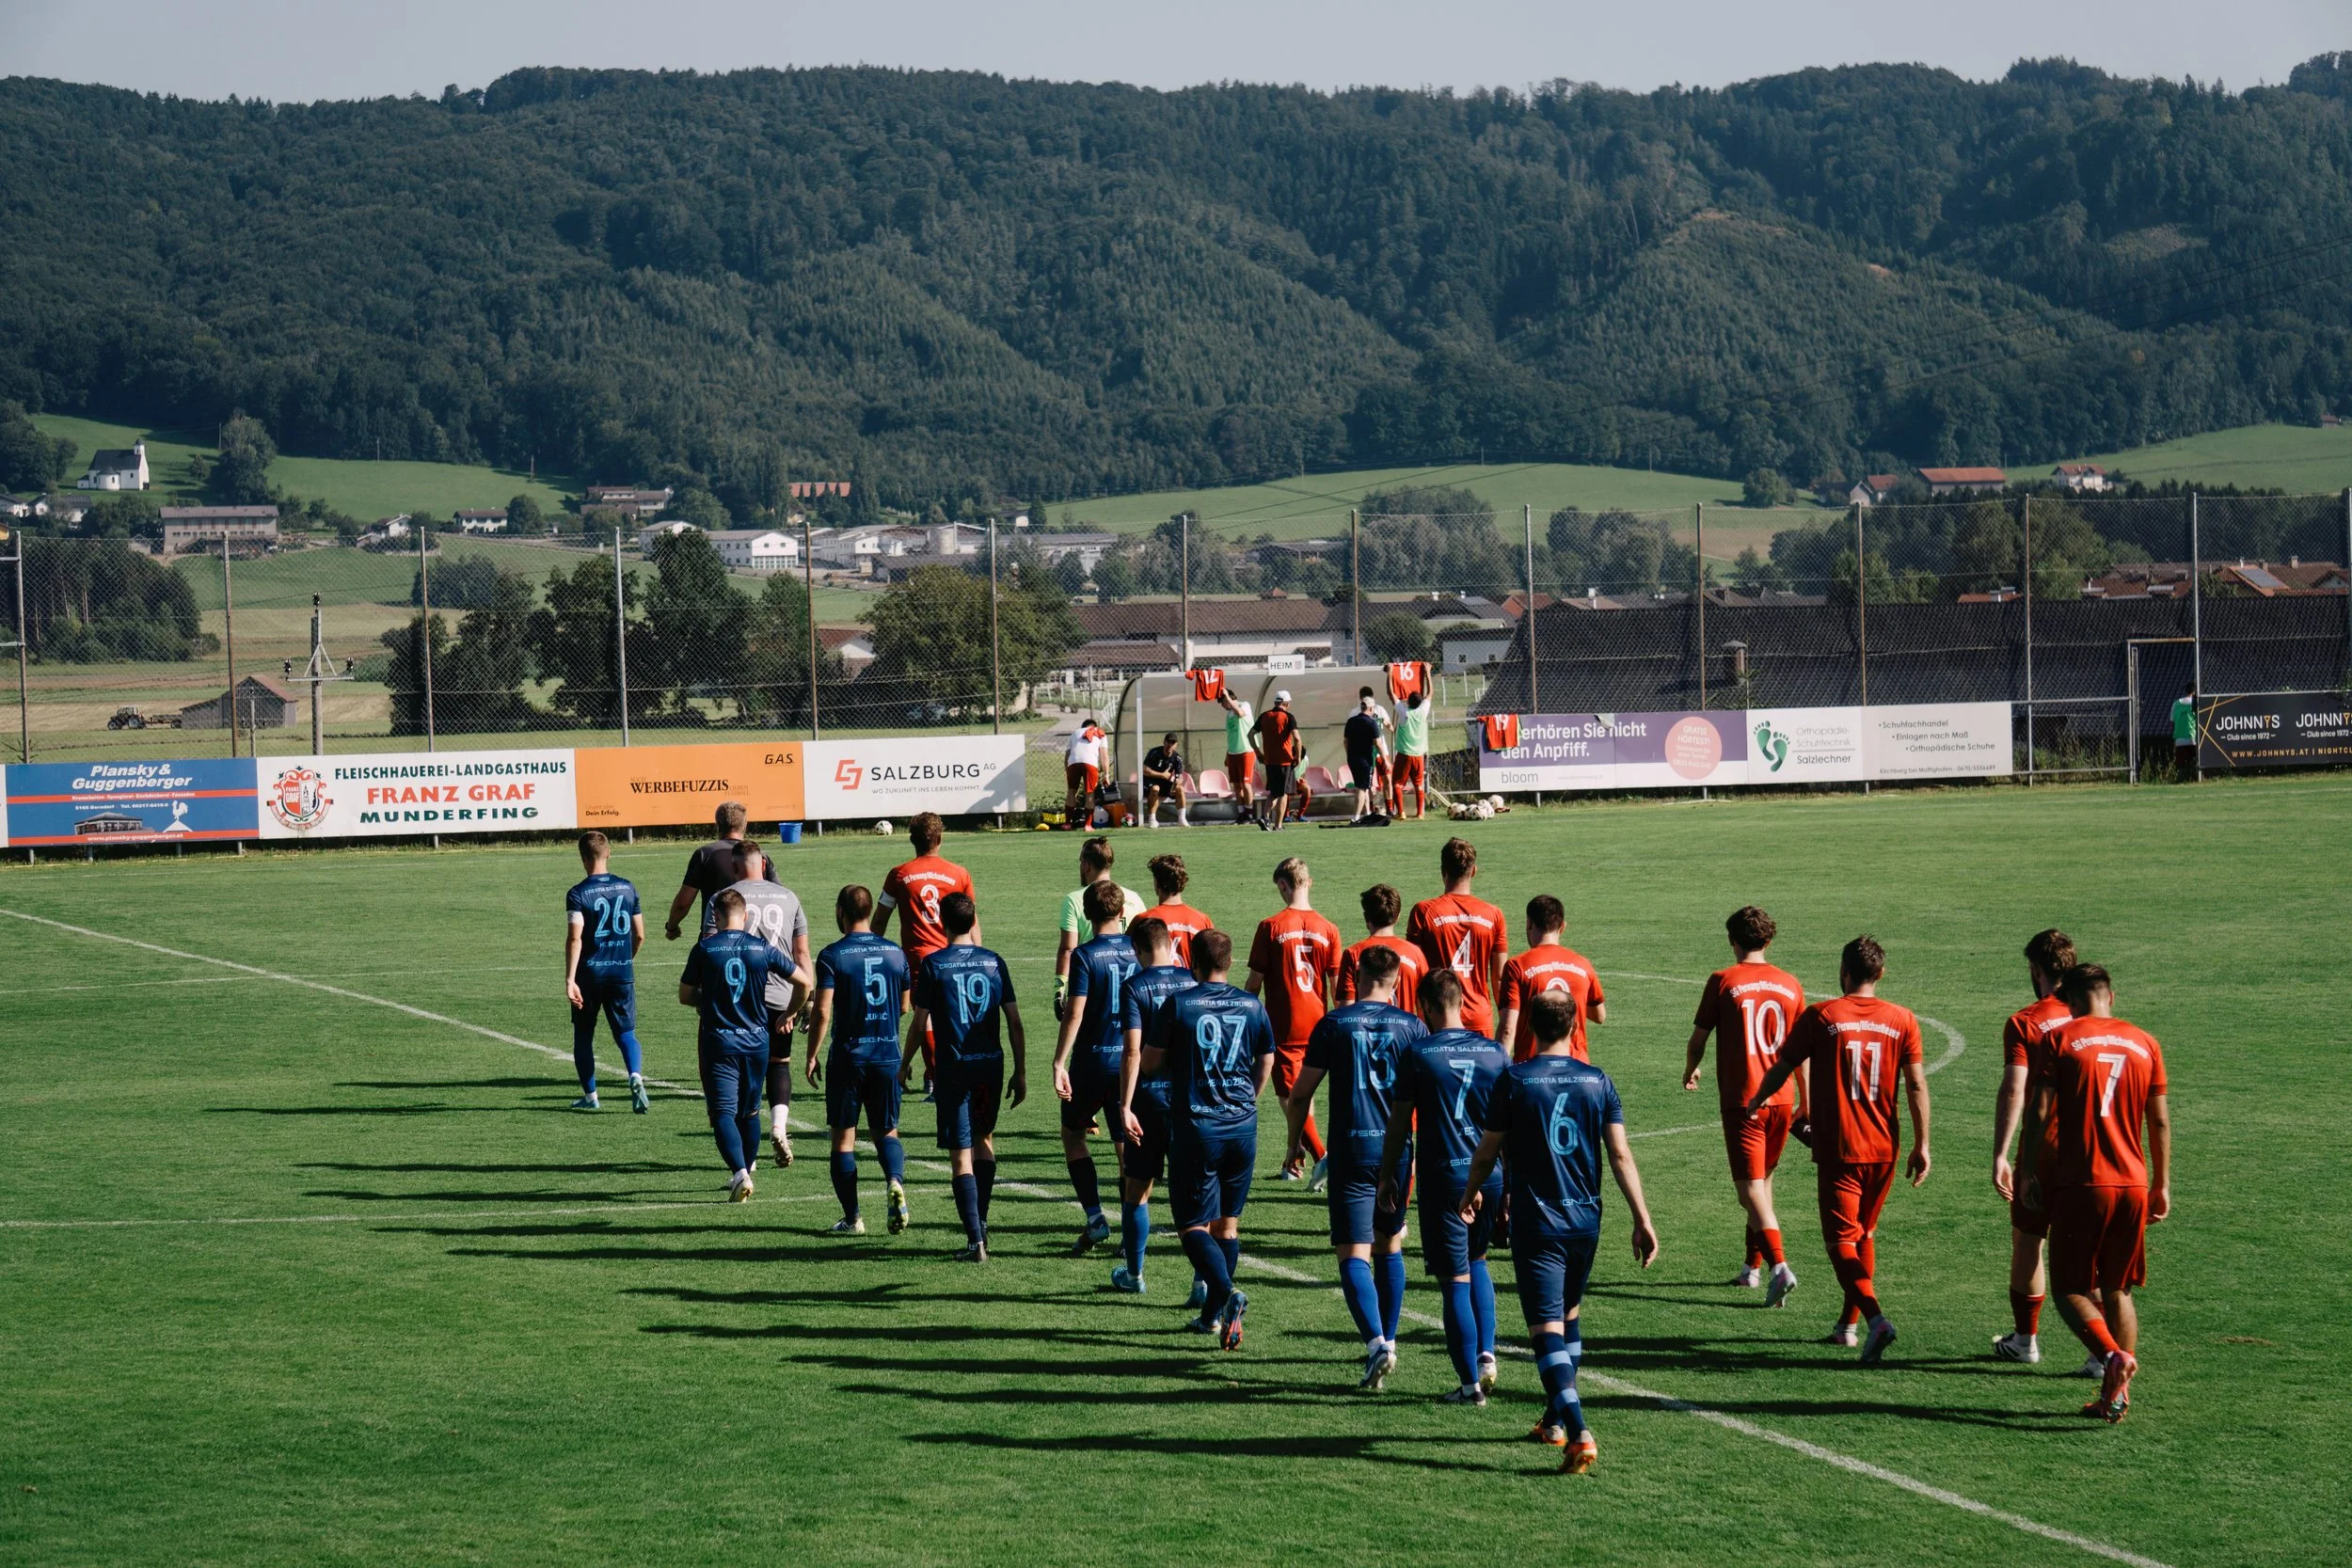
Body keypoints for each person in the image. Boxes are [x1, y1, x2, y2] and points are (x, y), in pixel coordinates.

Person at [1458, 993, 1661, 1474]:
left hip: (1540, 1223)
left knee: (1544, 1330)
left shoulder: (1516, 1080)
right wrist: (1642, 1218)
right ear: (1574, 1025)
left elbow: (1486, 1152)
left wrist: (1469, 1192)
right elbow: (1620, 1156)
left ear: (1530, 1024)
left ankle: (1580, 1431)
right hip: (1586, 1221)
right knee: (1568, 1319)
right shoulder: (1598, 1081)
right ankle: (1552, 1422)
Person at [1744, 935, 1931, 1365]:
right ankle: (1847, 1329)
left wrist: (1757, 1100)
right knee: (1864, 1234)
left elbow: (1784, 1067)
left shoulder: (1822, 1016)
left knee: (1839, 1243)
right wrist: (1922, 1144)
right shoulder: (1903, 1020)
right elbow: (1917, 1084)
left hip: (1841, 1148)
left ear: (1843, 972)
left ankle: (1875, 1319)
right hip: (1884, 1146)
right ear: (1880, 974)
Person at [2029, 964, 2170, 1423]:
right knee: (2117, 1287)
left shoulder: (2061, 1039)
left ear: (2069, 1000)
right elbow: (2160, 1120)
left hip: (2083, 1181)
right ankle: (2117, 1395)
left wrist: (2030, 1169)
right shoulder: (2146, 1042)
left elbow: (2041, 1110)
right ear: (2112, 995)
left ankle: (2111, 1357)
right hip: (2133, 1183)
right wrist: (2162, 1184)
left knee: (2071, 1287)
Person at [1288, 943, 1426, 1390]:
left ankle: (1376, 1346)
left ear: (1357, 976)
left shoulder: (1334, 1024)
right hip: (1398, 1151)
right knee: (1390, 1247)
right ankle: (1389, 1340)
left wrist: (1295, 1144)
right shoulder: (1414, 1027)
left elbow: (1300, 1093)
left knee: (1352, 1254)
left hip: (1350, 1150)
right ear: (1398, 981)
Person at [1140, 928, 1277, 1350]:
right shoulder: (1252, 1004)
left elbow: (1149, 1064)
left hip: (1198, 1129)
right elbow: (1266, 1057)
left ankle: (1226, 1293)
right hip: (1243, 1125)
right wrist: (1247, 1099)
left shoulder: (1178, 1004)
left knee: (1191, 1225)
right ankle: (1211, 1317)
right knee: (1228, 1225)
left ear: (1191, 963)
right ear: (1230, 963)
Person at [1379, 971, 1510, 1403]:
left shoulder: (1419, 1053)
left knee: (1455, 1280)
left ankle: (1470, 1386)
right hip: (1490, 1177)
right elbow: (1507, 1128)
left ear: (1428, 1007)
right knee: (1480, 1260)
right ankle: (1487, 1355)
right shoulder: (1494, 1052)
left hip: (1446, 1179)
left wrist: (1388, 1175)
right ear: (1461, 1000)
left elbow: (1399, 1125)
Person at [1680, 906, 1805, 1302]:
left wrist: (1691, 1068)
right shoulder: (1790, 984)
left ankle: (1779, 1266)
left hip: (1744, 1100)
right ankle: (1751, 1268)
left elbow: (1699, 1037)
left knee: (1747, 1190)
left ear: (1731, 940)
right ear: (1769, 940)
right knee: (1764, 1184)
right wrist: (1807, 1100)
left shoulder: (1723, 980)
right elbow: (1802, 1053)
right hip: (1782, 1100)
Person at [901, 892, 1025, 1261]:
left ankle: (975, 1242)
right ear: (973, 922)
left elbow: (919, 1022)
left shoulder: (934, 965)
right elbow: (1015, 1023)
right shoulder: (994, 961)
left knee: (961, 1155)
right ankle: (981, 1224)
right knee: (985, 1139)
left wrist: (905, 1061)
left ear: (942, 922)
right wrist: (1020, 1071)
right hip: (991, 1063)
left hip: (955, 1069)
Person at [1988, 928, 2089, 1369]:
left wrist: (2001, 1155)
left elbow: (2015, 1090)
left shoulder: (2025, 1021)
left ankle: (2026, 1340)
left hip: (2041, 1152)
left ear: (2036, 970)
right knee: (2088, 1252)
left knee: (2029, 1241)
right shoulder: (2092, 1018)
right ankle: (2099, 1353)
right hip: (2091, 1152)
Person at [676, 888, 802, 1201]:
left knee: (722, 1113)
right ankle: (746, 1168)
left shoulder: (705, 948)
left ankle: (740, 1173)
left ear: (716, 917)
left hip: (719, 1041)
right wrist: (790, 1011)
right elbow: (805, 982)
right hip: (757, 1041)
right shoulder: (761, 948)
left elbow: (685, 994)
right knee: (749, 1113)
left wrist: (708, 1000)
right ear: (745, 917)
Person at [806, 885, 913, 1236]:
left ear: (841, 912)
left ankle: (853, 1219)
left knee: (843, 1140)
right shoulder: (896, 954)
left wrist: (812, 1054)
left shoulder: (832, 955)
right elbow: (905, 1006)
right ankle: (894, 1181)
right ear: (869, 911)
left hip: (849, 1057)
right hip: (886, 1055)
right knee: (886, 1131)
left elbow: (822, 1010)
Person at [1054, 879, 1140, 1256]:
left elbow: (1075, 1011)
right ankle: (1129, 1237)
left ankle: (1094, 1216)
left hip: (1090, 1063)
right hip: (1128, 1065)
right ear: (1122, 914)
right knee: (1125, 1149)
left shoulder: (1085, 956)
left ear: (1088, 915)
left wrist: (1059, 1061)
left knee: (1074, 1135)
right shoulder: (1139, 952)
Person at [1114, 915, 1200, 1297]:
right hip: (1188, 1102)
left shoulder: (1134, 987)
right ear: (1171, 944)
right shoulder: (1193, 981)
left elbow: (1133, 1050)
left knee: (1138, 1189)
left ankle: (1134, 1274)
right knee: (1195, 1194)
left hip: (1148, 1101)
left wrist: (1125, 1103)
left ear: (1138, 950)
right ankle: (1202, 1281)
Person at [1246, 856, 1343, 1184]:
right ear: (1310, 883)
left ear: (1284, 886)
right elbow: (1336, 987)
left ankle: (1322, 1155)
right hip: (1319, 1022)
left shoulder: (1270, 926)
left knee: (1290, 1096)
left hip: (1285, 1025)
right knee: (1305, 1093)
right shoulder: (1329, 929)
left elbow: (1254, 984)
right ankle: (1293, 1160)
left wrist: (1245, 1018)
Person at [723, 843, 813, 1166]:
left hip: (739, 998)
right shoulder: (788, 897)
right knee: (779, 1062)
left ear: (735, 868)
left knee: (741, 1069)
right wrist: (804, 1001)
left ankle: (748, 1154)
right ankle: (778, 1126)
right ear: (763, 863)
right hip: (780, 995)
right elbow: (801, 955)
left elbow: (711, 947)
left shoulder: (726, 896)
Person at [876, 811, 975, 1101]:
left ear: (912, 840)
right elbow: (972, 920)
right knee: (951, 1017)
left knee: (925, 1017)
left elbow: (881, 919)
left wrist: (870, 946)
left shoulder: (900, 874)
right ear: (940, 839)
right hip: (957, 955)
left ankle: (938, 1078)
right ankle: (938, 1078)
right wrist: (976, 955)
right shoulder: (959, 874)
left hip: (919, 957)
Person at [563, 831, 648, 1114]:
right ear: (608, 853)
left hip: (590, 974)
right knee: (626, 1033)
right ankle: (635, 1075)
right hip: (621, 973)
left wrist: (570, 979)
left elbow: (575, 938)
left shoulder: (577, 893)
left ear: (583, 858)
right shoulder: (628, 887)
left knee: (584, 1035)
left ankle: (591, 1096)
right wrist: (625, 960)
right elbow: (640, 935)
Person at [1407, 837, 1510, 1039]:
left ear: (1442, 871)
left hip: (1438, 1016)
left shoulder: (1424, 911)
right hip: (1479, 1017)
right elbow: (1499, 977)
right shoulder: (1493, 914)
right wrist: (1505, 1019)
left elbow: (1414, 970)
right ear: (1473, 871)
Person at [1497, 895, 1605, 1063]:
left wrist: (1499, 1068)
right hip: (1576, 1066)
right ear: (1562, 927)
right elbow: (1599, 1016)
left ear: (1529, 924)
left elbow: (1507, 1029)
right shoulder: (1582, 964)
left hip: (1533, 1068)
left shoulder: (1517, 965)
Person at [661, 800, 782, 941]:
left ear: (717, 825)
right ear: (745, 825)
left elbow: (684, 902)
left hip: (716, 939)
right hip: (756, 939)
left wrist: (672, 927)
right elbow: (779, 896)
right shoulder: (759, 856)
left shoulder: (705, 854)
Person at [1056, 836, 1146, 1019]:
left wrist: (1059, 988)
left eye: (1081, 862)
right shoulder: (1133, 898)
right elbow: (1146, 940)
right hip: (1131, 980)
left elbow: (1068, 949)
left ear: (1087, 865)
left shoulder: (1074, 899)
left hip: (1092, 978)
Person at [1337, 883, 1426, 1015]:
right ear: (1397, 917)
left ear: (1366, 917)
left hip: (1363, 1034)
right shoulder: (1415, 954)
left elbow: (1346, 1010)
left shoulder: (1353, 954)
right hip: (1405, 1034)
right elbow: (1423, 1008)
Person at [1137, 853, 1215, 968]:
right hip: (1193, 985)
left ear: (1157, 883)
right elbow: (1214, 960)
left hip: (1154, 985)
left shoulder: (1143, 919)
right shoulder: (1202, 920)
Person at [1249, 690, 1305, 831]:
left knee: (1274, 792)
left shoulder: (1264, 716)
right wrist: (1297, 756)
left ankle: (1264, 817)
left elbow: (1250, 734)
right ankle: (1278, 825)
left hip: (1269, 761)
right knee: (1283, 793)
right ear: (1286, 703)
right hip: (1285, 761)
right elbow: (1297, 738)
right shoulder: (1288, 717)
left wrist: (1258, 752)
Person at [1343, 692, 1389, 823]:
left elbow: (1346, 742)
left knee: (1362, 786)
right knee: (1362, 789)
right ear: (1370, 708)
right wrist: (1385, 760)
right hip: (1366, 760)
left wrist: (1349, 755)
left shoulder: (1351, 721)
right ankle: (1356, 816)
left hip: (1353, 759)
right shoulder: (1371, 723)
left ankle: (1367, 812)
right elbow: (1378, 743)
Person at [1216, 689, 1256, 825]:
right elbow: (1231, 735)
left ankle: (1249, 815)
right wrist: (1228, 754)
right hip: (1233, 753)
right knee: (1237, 786)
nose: (1222, 706)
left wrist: (1227, 697)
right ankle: (1241, 815)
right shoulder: (1228, 715)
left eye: (1223, 702)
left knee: (1246, 784)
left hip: (1246, 751)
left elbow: (1240, 713)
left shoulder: (1244, 705)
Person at [1391, 689, 1431, 819]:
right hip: (1417, 754)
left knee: (1394, 783)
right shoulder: (1422, 711)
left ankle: (1397, 811)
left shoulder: (1403, 712)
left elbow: (1391, 694)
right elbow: (1430, 693)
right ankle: (1419, 813)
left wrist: (1389, 727)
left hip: (1397, 752)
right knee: (1418, 784)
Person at [1140, 732, 1191, 829]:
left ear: (1176, 745)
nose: (1170, 745)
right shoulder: (1154, 753)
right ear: (1164, 742)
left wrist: (1176, 782)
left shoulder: (1177, 758)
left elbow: (1180, 776)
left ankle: (1182, 820)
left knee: (1180, 789)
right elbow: (1145, 770)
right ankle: (1152, 820)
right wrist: (1162, 775)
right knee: (1155, 788)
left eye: (1173, 743)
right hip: (1149, 782)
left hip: (1165, 784)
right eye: (1168, 742)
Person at [1064, 718, 1107, 829]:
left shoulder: (1075, 733)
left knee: (1071, 791)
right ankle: (1088, 825)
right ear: (1094, 726)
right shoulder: (1100, 732)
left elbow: (1067, 754)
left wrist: (1067, 771)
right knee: (1089, 793)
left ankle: (1067, 823)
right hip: (1090, 763)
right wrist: (1106, 774)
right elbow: (1104, 756)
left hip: (1073, 763)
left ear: (1083, 727)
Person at [2171, 685, 2198, 782]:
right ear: (2194, 692)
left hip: (2179, 740)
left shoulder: (2176, 704)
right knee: (2194, 763)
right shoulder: (2195, 703)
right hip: (2193, 738)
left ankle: (2181, 780)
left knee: (2181, 766)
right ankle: (2194, 780)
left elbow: (2173, 723)